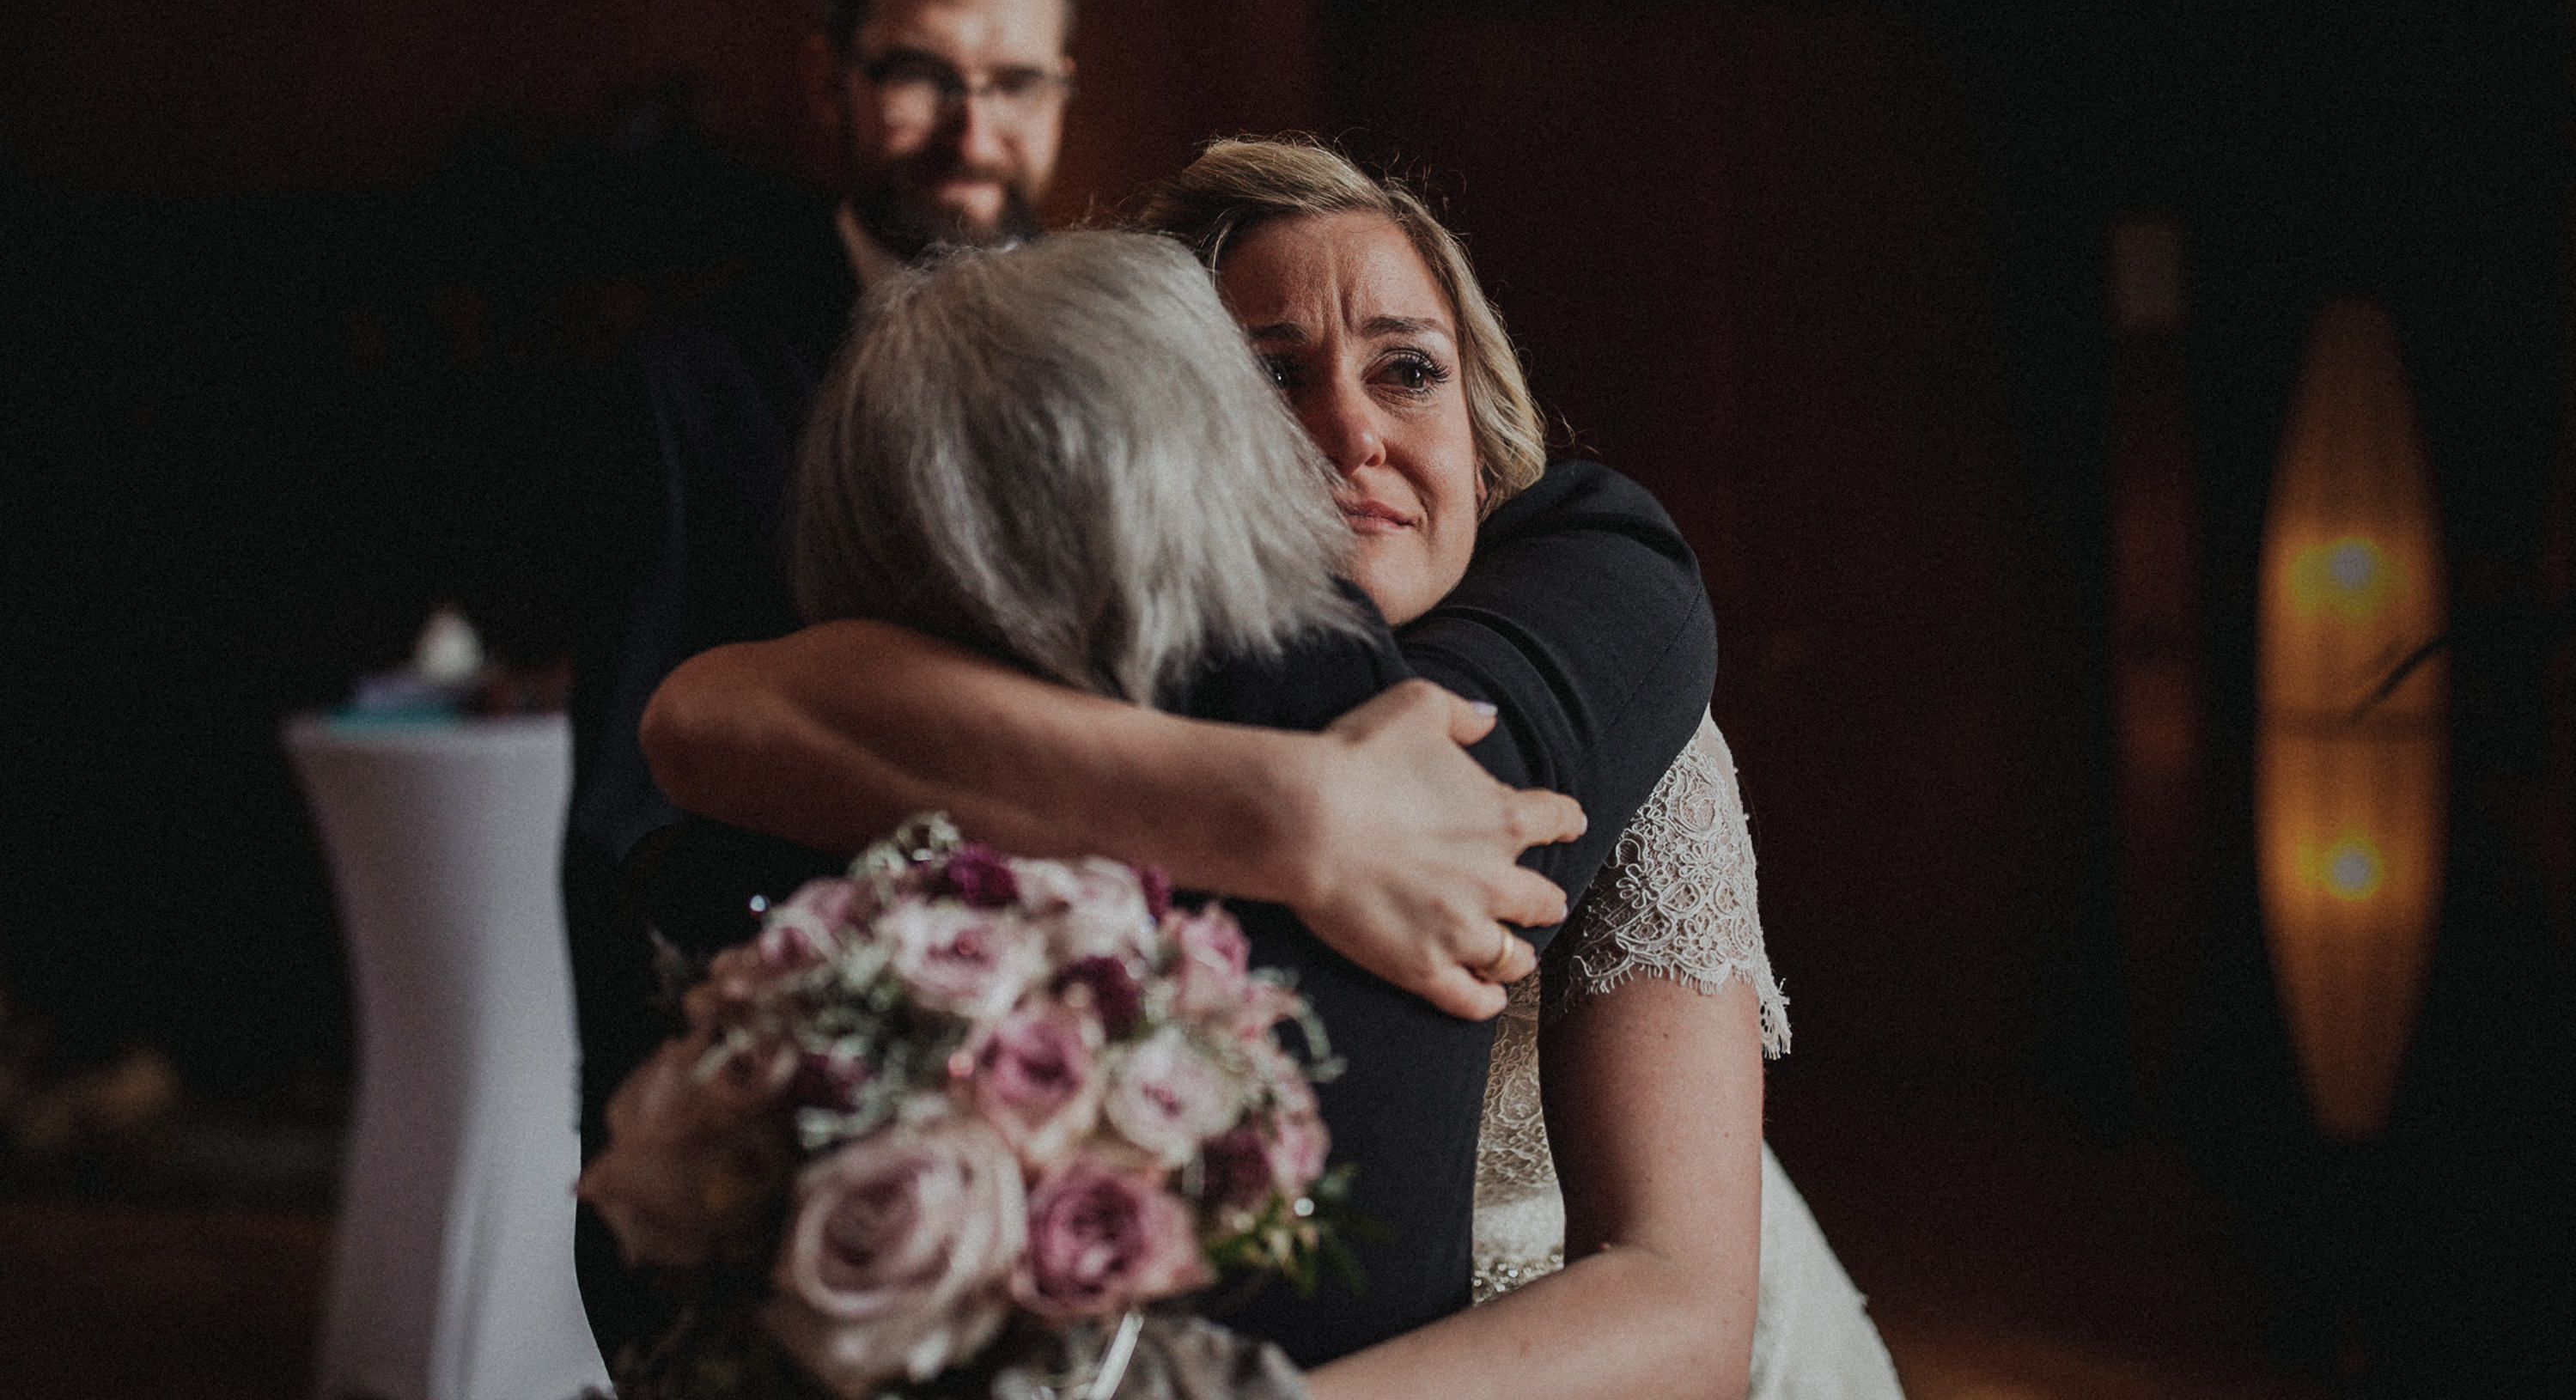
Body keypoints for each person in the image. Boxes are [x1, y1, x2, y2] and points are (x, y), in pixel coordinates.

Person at [651, 139, 1903, 1397]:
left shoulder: (1630, 707)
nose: (1350, 429)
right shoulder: (1083, 687)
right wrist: (1303, 813)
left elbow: (1680, 1304)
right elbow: (709, 713)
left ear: (1479, 430)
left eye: (1407, 371)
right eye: (1270, 378)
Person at [562, 0, 1082, 1353]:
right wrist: (650, 1177)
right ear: (831, 81)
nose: (974, 134)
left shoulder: (1135, 360)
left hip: (1089, 1065)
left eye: (1013, 82)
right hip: (790, 1080)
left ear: (1060, 91)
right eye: (921, 74)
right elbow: (618, 814)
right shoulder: (685, 385)